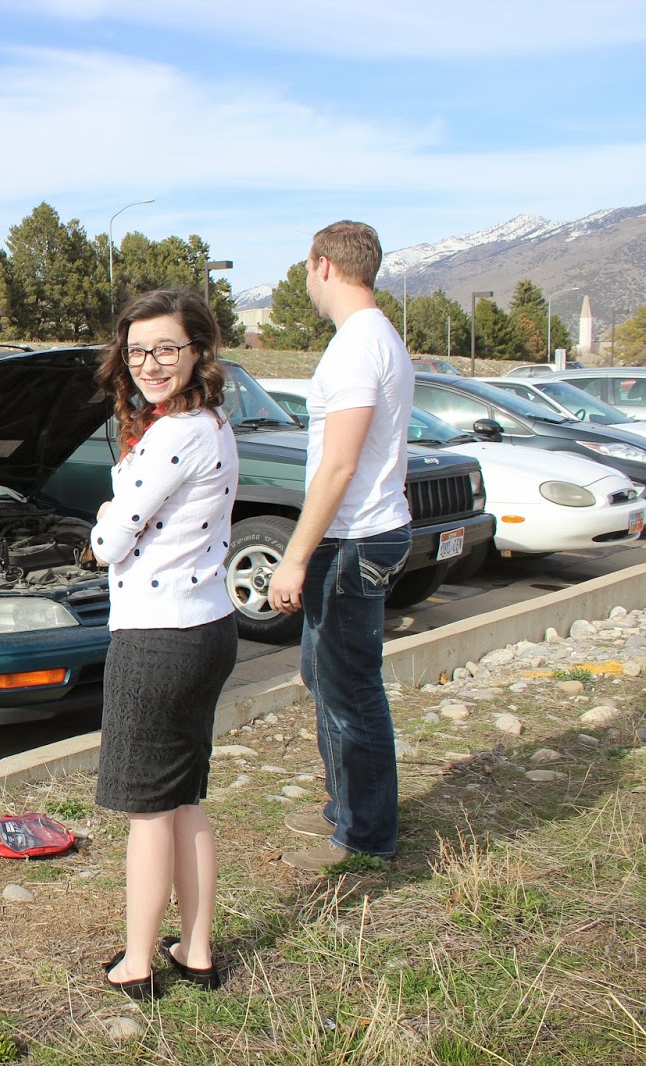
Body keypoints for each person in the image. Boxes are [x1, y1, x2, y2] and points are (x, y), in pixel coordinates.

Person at [89, 288, 239, 999]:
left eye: (166, 349)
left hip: (157, 639)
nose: (149, 363)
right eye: (137, 350)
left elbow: (112, 539)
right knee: (184, 798)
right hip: (208, 628)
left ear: (198, 352)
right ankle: (196, 950)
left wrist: (101, 520)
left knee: (148, 810)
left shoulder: (174, 434)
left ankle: (139, 963)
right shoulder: (213, 423)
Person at [266, 220, 413, 872]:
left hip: (352, 540)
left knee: (350, 690)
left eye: (306, 268)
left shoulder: (357, 346)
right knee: (324, 676)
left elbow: (340, 465)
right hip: (362, 533)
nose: (306, 279)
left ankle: (365, 834)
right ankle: (346, 807)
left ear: (323, 265)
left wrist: (294, 558)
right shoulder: (375, 336)